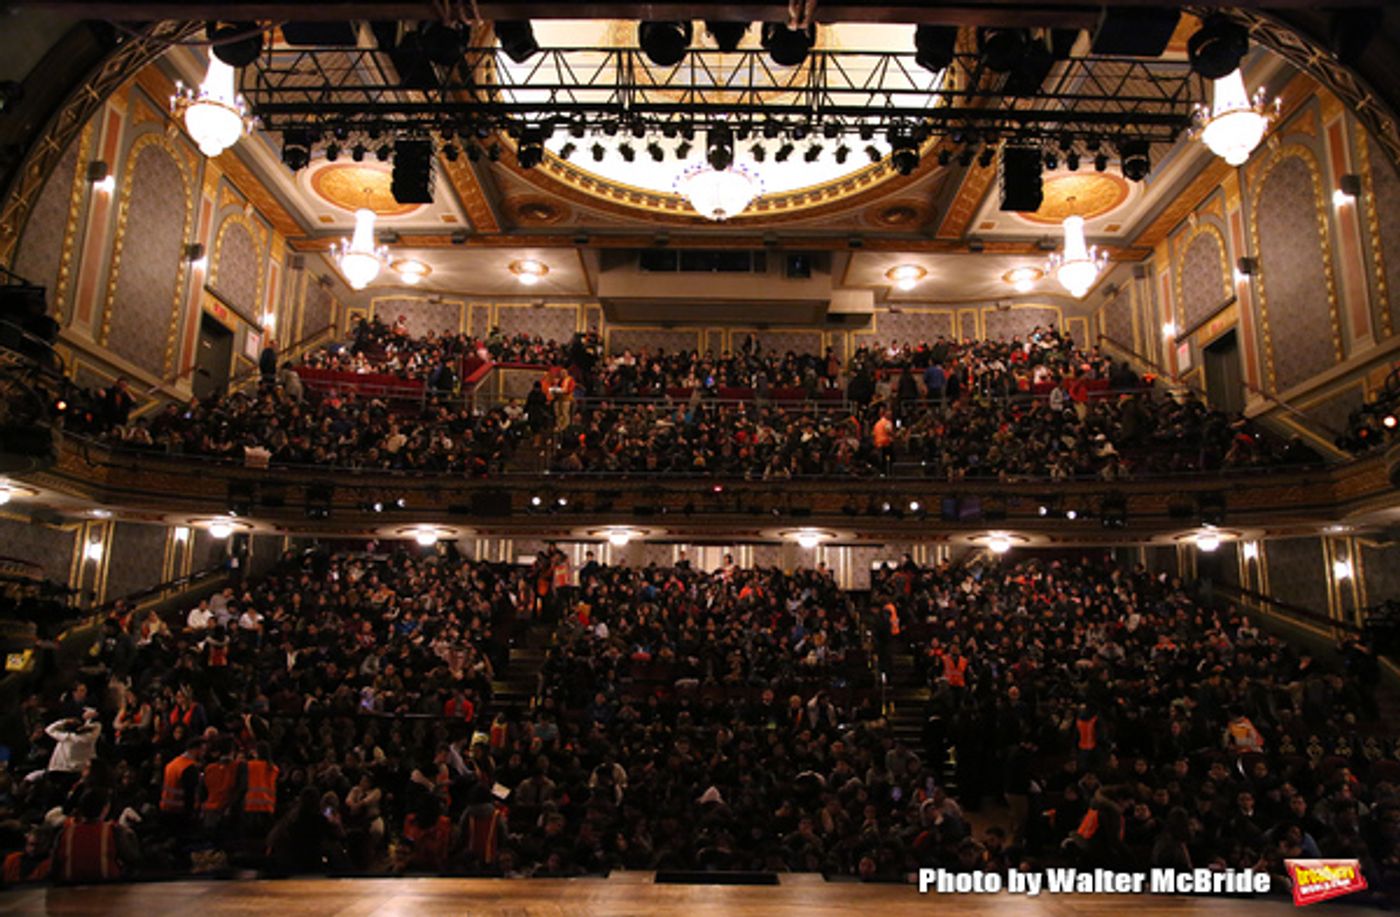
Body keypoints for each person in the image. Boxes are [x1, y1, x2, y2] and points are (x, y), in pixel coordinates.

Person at [51, 789, 137, 883]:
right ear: (105, 808)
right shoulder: (113, 831)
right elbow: (132, 859)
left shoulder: (64, 832)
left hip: (69, 887)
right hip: (108, 886)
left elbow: (54, 865)